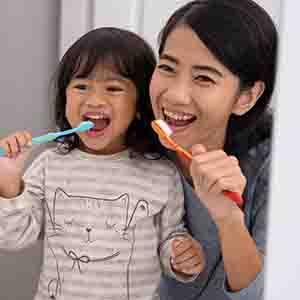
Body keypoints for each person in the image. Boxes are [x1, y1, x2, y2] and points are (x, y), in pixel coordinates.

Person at [0, 27, 205, 300]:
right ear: (64, 98)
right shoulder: (50, 165)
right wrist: (10, 183)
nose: (94, 99)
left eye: (113, 88)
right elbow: (13, 237)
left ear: (140, 105)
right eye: (81, 86)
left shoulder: (161, 174)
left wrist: (181, 253)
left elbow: (170, 238)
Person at [149, 0, 277, 299]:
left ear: (246, 97)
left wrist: (228, 217)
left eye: (204, 78)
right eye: (167, 67)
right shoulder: (133, 151)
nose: (176, 95)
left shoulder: (277, 168)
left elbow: (264, 294)